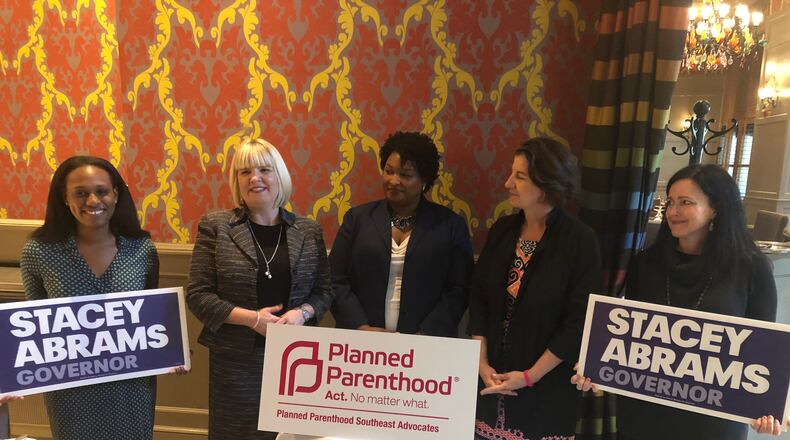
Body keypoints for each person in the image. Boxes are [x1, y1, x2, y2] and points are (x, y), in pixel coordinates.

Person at [572, 164, 781, 439]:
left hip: (711, 424)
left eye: (686, 203)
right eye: (670, 201)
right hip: (644, 417)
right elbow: (630, 339)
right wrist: (596, 367)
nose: (672, 211)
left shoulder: (752, 268)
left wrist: (764, 407)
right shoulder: (645, 264)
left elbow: (762, 351)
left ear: (716, 208)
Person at [187, 138, 334, 440]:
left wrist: (302, 314)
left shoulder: (307, 230)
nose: (255, 178)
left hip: (298, 362)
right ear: (236, 181)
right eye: (245, 172)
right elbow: (198, 294)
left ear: (279, 175)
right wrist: (252, 319)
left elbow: (324, 291)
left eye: (264, 169)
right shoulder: (216, 226)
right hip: (236, 364)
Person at [468, 137, 601, 439]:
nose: (507, 183)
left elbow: (577, 322)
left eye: (520, 176)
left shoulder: (580, 241)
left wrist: (529, 377)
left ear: (547, 184)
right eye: (511, 173)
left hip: (546, 390)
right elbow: (478, 299)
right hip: (490, 380)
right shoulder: (502, 230)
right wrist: (481, 363)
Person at [19, 156, 161, 439]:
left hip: (130, 386)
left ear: (116, 195)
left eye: (102, 191)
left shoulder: (142, 250)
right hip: (70, 387)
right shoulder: (38, 252)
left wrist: (171, 349)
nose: (93, 201)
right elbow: (35, 328)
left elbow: (152, 317)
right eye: (81, 193)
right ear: (64, 197)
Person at [330, 131, 473, 336]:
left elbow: (459, 289)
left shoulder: (450, 226)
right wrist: (360, 327)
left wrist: (425, 334)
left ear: (424, 181)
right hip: (361, 345)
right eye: (389, 171)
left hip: (426, 345)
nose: (394, 180)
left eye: (405, 175)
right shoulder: (357, 219)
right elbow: (335, 278)